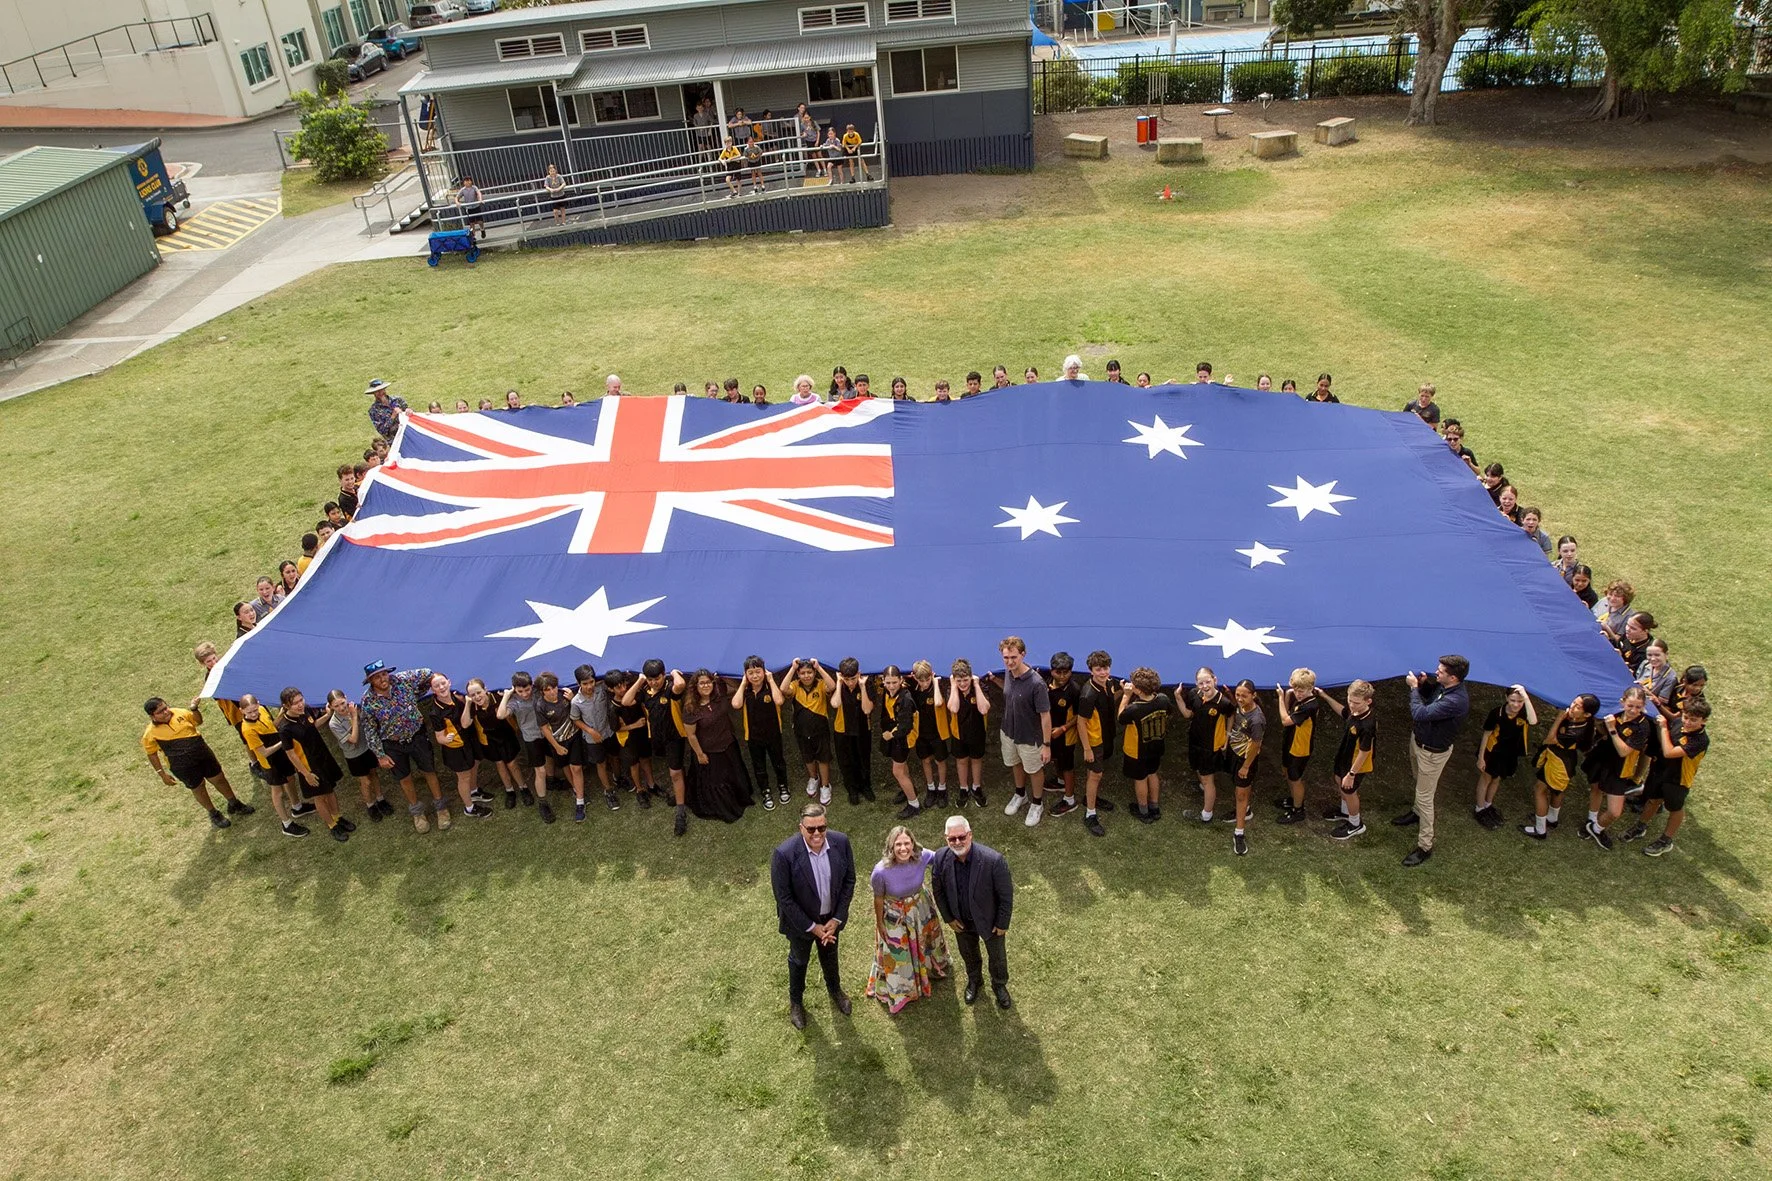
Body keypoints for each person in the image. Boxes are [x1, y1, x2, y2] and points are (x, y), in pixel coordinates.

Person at [770, 804, 855, 1030]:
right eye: (811, 829)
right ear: (801, 828)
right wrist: (812, 927)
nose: (817, 834)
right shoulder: (784, 854)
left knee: (830, 956)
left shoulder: (841, 842)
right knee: (799, 961)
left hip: (830, 921)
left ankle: (835, 991)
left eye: (822, 828)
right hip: (801, 925)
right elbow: (784, 898)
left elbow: (849, 881)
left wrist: (836, 919)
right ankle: (796, 1002)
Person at [1394, 655, 1471, 867]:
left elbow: (1420, 712)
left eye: (1440, 671)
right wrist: (1423, 685)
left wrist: (1413, 689)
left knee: (1425, 796)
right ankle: (1416, 813)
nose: (1436, 672)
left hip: (1432, 753)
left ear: (1453, 677)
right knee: (1418, 781)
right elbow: (1430, 697)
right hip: (1419, 742)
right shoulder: (1444, 687)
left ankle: (1425, 846)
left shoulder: (1456, 701)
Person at [931, 815, 1014, 1009]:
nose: (957, 842)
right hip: (961, 922)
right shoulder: (941, 858)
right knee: (968, 954)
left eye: (961, 837)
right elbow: (938, 890)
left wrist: (1002, 923)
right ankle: (975, 981)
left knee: (998, 957)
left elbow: (1006, 896)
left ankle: (999, 985)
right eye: (952, 839)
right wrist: (948, 918)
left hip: (990, 921)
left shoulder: (993, 860)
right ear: (946, 839)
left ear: (970, 835)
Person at [866, 826, 951, 1015]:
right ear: (891, 847)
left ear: (913, 844)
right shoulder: (880, 872)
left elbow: (943, 858)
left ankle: (930, 968)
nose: (903, 848)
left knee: (926, 941)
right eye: (898, 844)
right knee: (897, 954)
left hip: (920, 908)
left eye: (907, 843)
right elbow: (878, 898)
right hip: (895, 916)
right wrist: (880, 923)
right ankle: (902, 990)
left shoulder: (923, 856)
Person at [360, 660, 452, 832]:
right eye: (377, 677)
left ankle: (441, 807)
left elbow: (427, 672)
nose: (383, 679)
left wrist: (429, 686)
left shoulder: (403, 680)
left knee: (429, 770)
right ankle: (417, 812)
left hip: (417, 736)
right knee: (405, 778)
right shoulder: (367, 701)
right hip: (392, 744)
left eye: (384, 674)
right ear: (370, 681)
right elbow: (370, 729)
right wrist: (380, 755)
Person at [142, 696, 253, 830]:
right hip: (181, 765)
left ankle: (234, 803)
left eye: (165, 708)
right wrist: (162, 774)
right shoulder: (150, 733)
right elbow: (151, 754)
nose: (166, 712)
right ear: (152, 716)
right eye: (160, 712)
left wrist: (194, 709)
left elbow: (198, 721)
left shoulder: (180, 713)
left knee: (219, 778)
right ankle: (213, 813)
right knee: (198, 787)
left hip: (202, 753)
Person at [1626, 697, 1709, 856]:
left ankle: (1666, 840)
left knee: (1675, 809)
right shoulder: (1678, 723)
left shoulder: (1700, 740)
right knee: (1653, 800)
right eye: (1686, 717)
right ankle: (1640, 827)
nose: (1687, 722)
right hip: (1661, 771)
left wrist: (1663, 728)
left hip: (1678, 780)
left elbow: (1669, 752)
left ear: (1703, 721)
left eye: (1693, 720)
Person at [276, 687, 354, 841]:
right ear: (286, 706)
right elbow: (291, 754)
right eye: (295, 703)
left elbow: (313, 725)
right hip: (309, 766)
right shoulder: (285, 728)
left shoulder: (305, 711)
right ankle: (332, 825)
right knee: (320, 797)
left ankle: (338, 817)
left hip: (323, 758)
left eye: (301, 700)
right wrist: (306, 774)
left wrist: (328, 714)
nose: (300, 705)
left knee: (330, 790)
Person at [1520, 694, 1601, 839]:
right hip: (1564, 760)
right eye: (1573, 702)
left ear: (1587, 714)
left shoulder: (1577, 731)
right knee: (1558, 790)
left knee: (1540, 789)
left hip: (1560, 763)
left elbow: (1550, 739)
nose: (1572, 707)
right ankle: (1552, 818)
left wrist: (1558, 719)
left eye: (1577, 706)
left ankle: (1540, 829)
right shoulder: (1579, 721)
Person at [623, 661, 690, 835]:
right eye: (650, 679)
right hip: (657, 738)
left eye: (657, 678)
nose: (654, 683)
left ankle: (681, 811)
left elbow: (681, 684)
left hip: (675, 737)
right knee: (676, 768)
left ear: (663, 675)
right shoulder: (645, 692)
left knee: (674, 772)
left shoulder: (670, 688)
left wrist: (674, 673)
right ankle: (683, 792)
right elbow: (626, 700)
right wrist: (639, 682)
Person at [1583, 687, 1652, 851]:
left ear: (1643, 706)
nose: (1634, 710)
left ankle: (1596, 828)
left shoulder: (1642, 727)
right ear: (1623, 702)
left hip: (1619, 769)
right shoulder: (1614, 714)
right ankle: (1591, 821)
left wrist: (1612, 730)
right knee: (1596, 789)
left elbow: (1623, 751)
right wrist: (1601, 726)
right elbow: (1602, 729)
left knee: (1614, 812)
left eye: (1638, 707)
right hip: (1602, 759)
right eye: (1630, 705)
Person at [680, 670, 754, 823]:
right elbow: (691, 735)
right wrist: (700, 754)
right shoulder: (690, 709)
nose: (706, 685)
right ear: (695, 686)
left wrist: (725, 676)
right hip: (709, 752)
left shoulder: (720, 695)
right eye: (702, 683)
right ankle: (725, 808)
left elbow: (737, 689)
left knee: (733, 774)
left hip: (728, 744)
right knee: (717, 781)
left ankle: (740, 798)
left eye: (709, 682)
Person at [995, 636, 1053, 827]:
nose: (1010, 661)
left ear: (1023, 655)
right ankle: (1021, 794)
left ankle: (1037, 803)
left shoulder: (1037, 684)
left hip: (1030, 736)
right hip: (1009, 732)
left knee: (1034, 770)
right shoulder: (1008, 672)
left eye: (1014, 657)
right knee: (1015, 763)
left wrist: (1046, 745)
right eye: (1006, 658)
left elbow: (1045, 716)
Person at [424, 673, 497, 821]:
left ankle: (474, 790)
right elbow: (439, 738)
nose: (441, 687)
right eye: (436, 686)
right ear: (432, 690)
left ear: (449, 682)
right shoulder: (435, 712)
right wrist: (446, 739)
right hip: (456, 748)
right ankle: (469, 807)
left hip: (469, 740)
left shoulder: (457, 696)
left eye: (443, 683)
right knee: (463, 777)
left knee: (474, 765)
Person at [1315, 680, 1377, 838]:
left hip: (1356, 764)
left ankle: (1356, 824)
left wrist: (1351, 774)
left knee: (1349, 790)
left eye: (1356, 702)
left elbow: (1364, 752)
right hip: (1344, 756)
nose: (1351, 705)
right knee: (1339, 780)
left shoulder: (1367, 724)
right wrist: (1325, 696)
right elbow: (1343, 712)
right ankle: (1345, 811)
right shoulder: (1354, 711)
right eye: (1349, 700)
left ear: (1368, 701)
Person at [238, 693, 303, 837]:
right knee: (278, 792)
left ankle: (297, 807)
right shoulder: (248, 730)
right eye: (249, 712)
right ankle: (286, 824)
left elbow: (271, 726)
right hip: (270, 763)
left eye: (255, 710)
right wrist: (284, 741)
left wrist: (280, 715)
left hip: (280, 755)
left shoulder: (262, 710)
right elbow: (264, 753)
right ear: (241, 711)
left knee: (290, 778)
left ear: (259, 704)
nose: (254, 714)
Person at [1472, 684, 1536, 830]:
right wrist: (1481, 757)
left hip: (1509, 754)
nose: (1516, 705)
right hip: (1493, 752)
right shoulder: (1497, 713)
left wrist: (1526, 697)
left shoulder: (1523, 712)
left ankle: (1488, 805)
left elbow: (1533, 721)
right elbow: (1486, 734)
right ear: (1506, 698)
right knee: (1486, 779)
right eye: (1513, 700)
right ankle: (1479, 809)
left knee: (1497, 778)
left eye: (1520, 702)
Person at [1177, 667, 1234, 824]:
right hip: (1195, 742)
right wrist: (1178, 698)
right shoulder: (1194, 694)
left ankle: (1206, 814)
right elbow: (1188, 714)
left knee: (1209, 780)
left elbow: (1231, 715)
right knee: (1198, 770)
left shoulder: (1223, 702)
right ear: (1196, 683)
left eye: (1208, 681)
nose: (1205, 686)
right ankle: (1203, 787)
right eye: (1201, 683)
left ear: (1215, 680)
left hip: (1210, 747)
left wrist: (1227, 736)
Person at [326, 689, 392, 821]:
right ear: (331, 707)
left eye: (343, 703)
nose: (341, 708)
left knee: (373, 774)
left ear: (346, 698)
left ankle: (380, 799)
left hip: (367, 748)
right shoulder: (334, 723)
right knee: (365, 781)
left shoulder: (356, 707)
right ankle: (370, 805)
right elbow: (353, 739)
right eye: (336, 706)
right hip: (354, 755)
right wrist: (355, 717)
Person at [1073, 650, 1120, 835]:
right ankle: (1090, 814)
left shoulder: (1108, 684)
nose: (1103, 672)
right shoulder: (1088, 694)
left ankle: (1089, 798)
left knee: (1095, 773)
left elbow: (1108, 701)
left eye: (1106, 668)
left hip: (1106, 736)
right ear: (1091, 670)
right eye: (1098, 669)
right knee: (1095, 775)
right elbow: (1080, 722)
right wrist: (1087, 749)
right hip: (1094, 741)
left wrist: (1123, 693)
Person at [1117, 668, 1172, 825]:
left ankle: (1143, 811)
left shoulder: (1134, 708)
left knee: (1140, 778)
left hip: (1137, 751)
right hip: (1156, 746)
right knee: (1153, 774)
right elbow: (1169, 712)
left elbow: (1120, 717)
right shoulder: (1163, 699)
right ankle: (1154, 806)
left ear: (1138, 690)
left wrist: (1126, 696)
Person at [733, 657, 788, 811]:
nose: (755, 676)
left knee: (778, 762)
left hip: (773, 734)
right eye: (751, 673)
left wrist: (771, 681)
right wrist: (743, 683)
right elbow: (736, 704)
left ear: (764, 672)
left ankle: (783, 786)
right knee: (759, 766)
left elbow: (779, 701)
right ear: (746, 674)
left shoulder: (770, 687)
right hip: (753, 737)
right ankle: (766, 791)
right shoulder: (745, 691)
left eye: (758, 672)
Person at [777, 658, 834, 806]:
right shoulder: (795, 686)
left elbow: (832, 685)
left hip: (821, 730)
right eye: (802, 673)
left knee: (823, 758)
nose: (806, 676)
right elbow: (783, 689)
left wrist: (819, 668)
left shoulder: (821, 684)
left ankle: (825, 785)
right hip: (801, 731)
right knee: (808, 757)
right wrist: (792, 668)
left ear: (814, 673)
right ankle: (813, 778)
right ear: (798, 674)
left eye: (810, 672)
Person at [567, 662, 618, 813]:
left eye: (591, 682)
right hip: (592, 738)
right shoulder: (576, 701)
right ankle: (608, 791)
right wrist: (591, 731)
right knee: (600, 763)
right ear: (578, 684)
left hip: (608, 731)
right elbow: (575, 719)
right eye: (585, 683)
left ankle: (618, 777)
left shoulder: (601, 689)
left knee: (615, 757)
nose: (589, 686)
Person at [875, 664, 923, 820]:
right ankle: (909, 789)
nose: (891, 686)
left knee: (897, 771)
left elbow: (905, 726)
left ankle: (914, 804)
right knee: (903, 768)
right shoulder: (888, 693)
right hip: (896, 736)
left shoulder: (906, 699)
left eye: (894, 682)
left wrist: (891, 734)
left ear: (901, 680)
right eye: (887, 683)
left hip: (904, 738)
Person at [1272, 667, 1319, 825]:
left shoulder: (1309, 705)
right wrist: (1286, 695)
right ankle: (1293, 800)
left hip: (1300, 748)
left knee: (1295, 778)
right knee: (1288, 773)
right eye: (1296, 689)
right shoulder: (1300, 700)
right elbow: (1287, 716)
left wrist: (1280, 697)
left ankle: (1298, 810)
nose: (1298, 694)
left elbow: (1285, 720)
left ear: (1311, 688)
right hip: (1291, 741)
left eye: (1302, 691)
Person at [944, 658, 991, 809]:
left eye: (965, 680)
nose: (963, 684)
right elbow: (953, 708)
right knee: (962, 760)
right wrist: (953, 685)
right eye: (959, 681)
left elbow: (984, 709)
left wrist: (976, 685)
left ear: (971, 677)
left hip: (977, 732)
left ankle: (976, 787)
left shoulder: (980, 686)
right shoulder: (951, 689)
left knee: (976, 759)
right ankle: (963, 788)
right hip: (958, 733)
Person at [1225, 679, 1265, 856]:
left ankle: (1239, 833)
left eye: (1244, 695)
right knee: (1238, 790)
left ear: (1253, 695)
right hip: (1234, 753)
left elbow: (1256, 744)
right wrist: (1230, 696)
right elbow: (1236, 708)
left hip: (1246, 760)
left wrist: (1246, 766)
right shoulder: (1241, 706)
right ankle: (1245, 810)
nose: (1240, 699)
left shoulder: (1257, 720)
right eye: (1237, 694)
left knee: (1241, 794)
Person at [908, 660, 952, 808]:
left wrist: (935, 683)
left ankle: (942, 788)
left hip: (937, 732)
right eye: (921, 681)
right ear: (915, 678)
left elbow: (939, 703)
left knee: (940, 761)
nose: (925, 683)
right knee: (925, 760)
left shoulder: (937, 687)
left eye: (927, 680)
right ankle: (931, 788)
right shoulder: (913, 689)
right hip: (921, 733)